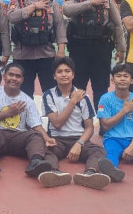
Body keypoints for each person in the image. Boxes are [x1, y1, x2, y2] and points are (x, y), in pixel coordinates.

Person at [38, 57, 111, 190]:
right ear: (54, 76)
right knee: (43, 150)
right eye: (59, 72)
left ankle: (90, 174)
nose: (64, 74)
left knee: (98, 151)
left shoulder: (83, 97)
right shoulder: (48, 95)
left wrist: (79, 144)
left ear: (73, 75)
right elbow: (57, 124)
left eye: (67, 71)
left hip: (78, 138)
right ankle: (54, 173)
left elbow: (89, 128)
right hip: (57, 139)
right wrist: (72, 101)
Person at [0, 62, 55, 178]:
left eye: (18, 76)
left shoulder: (27, 100)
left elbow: (36, 125)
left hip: (18, 136)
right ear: (4, 76)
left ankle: (36, 162)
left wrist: (47, 138)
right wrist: (8, 113)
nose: (14, 78)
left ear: (22, 79)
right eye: (11, 75)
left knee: (35, 135)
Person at [63, 0, 126, 108]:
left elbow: (117, 24)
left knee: (101, 87)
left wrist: (121, 48)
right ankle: (78, 122)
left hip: (101, 48)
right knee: (78, 86)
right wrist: (90, 2)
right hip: (79, 48)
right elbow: (67, 10)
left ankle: (103, 122)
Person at [7, 0, 67, 98]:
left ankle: (54, 118)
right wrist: (34, 6)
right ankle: (26, 118)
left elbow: (59, 25)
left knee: (51, 93)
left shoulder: (50, 2)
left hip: (46, 55)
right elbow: (12, 17)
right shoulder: (15, 2)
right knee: (24, 94)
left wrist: (61, 50)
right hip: (22, 56)